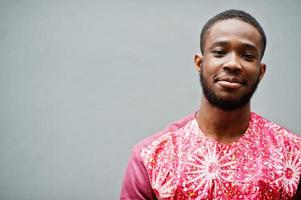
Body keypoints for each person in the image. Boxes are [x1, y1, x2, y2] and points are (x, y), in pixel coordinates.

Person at [120, 9, 301, 199]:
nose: (233, 64)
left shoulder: (293, 155)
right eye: (219, 52)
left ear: (261, 72)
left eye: (247, 56)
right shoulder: (151, 157)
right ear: (200, 63)